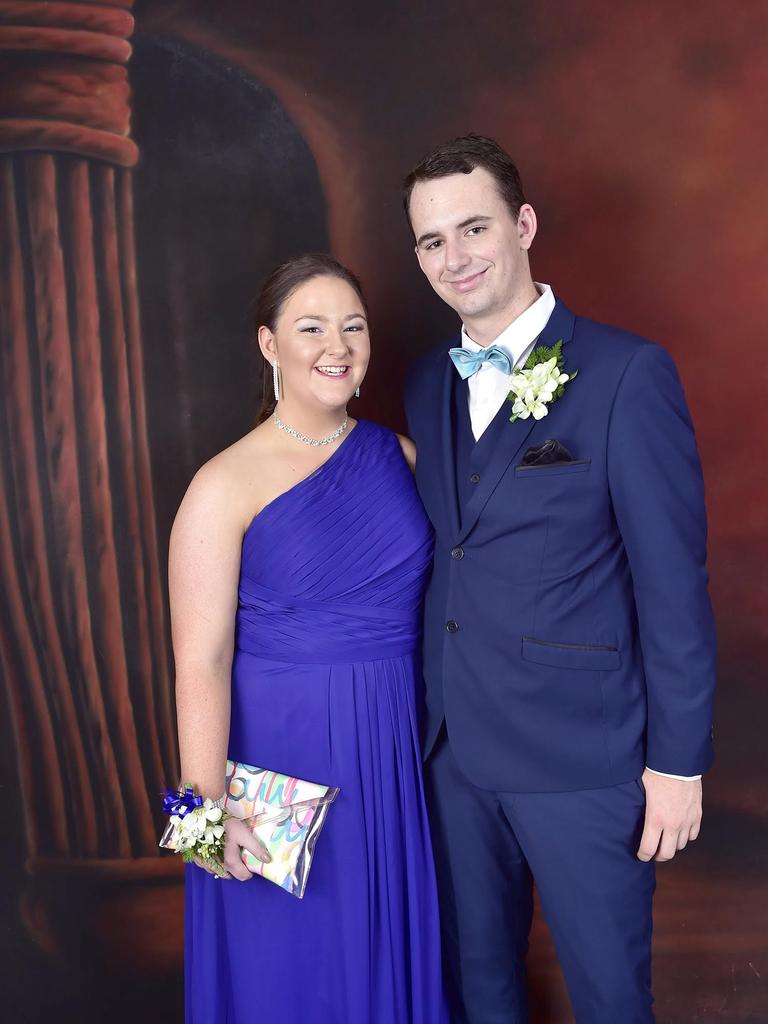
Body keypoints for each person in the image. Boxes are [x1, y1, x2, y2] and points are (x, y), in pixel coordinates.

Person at [402, 135, 716, 1023]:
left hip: (587, 758)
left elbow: (672, 583)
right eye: (432, 241)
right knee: (482, 991)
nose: (455, 258)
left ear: (523, 224)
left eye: (473, 228)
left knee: (612, 1000)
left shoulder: (626, 374)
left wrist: (678, 764)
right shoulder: (427, 381)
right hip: (454, 753)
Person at [169, 253, 448, 1023]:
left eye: (353, 326)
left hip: (390, 756)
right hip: (277, 767)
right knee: (285, 975)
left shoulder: (403, 459)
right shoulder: (223, 482)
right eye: (312, 326)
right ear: (270, 346)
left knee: (377, 956)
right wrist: (205, 813)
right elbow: (201, 658)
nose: (338, 344)